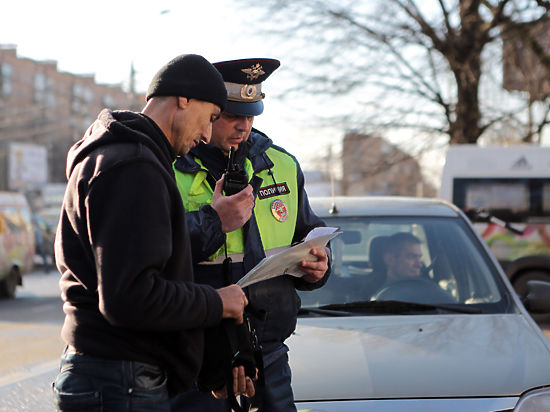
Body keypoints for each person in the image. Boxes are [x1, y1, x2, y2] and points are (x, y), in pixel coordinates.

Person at [52, 54, 254, 412]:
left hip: (111, 374)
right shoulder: (134, 167)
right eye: (210, 118)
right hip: (120, 380)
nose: (207, 134)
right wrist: (217, 302)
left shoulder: (117, 156)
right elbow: (130, 297)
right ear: (184, 98)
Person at [171, 58, 331, 412]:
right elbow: (157, 250)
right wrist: (213, 221)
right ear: (210, 111)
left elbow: (309, 230)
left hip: (267, 354)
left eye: (251, 115)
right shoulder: (170, 167)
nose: (244, 126)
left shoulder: (282, 165)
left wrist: (320, 265)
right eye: (231, 115)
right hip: (195, 357)